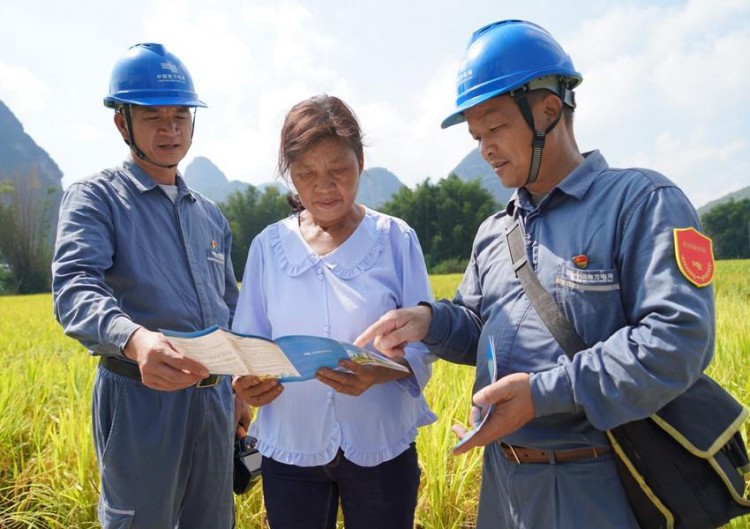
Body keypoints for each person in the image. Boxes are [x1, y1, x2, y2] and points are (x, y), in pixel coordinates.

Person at [355, 19, 715, 528]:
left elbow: (679, 339)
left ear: (549, 109)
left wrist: (543, 394)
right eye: (477, 134)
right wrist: (427, 322)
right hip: (503, 486)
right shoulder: (495, 232)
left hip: (599, 482)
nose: (484, 148)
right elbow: (481, 328)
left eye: (495, 127)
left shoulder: (641, 203)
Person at [52, 43, 250, 528]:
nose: (170, 129)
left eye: (181, 115)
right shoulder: (96, 199)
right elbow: (74, 287)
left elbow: (230, 306)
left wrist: (241, 383)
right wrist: (136, 340)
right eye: (153, 116)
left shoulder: (208, 214)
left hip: (215, 402)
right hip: (141, 399)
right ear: (123, 124)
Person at [231, 94, 436, 529]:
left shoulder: (395, 239)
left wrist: (382, 370)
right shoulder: (269, 247)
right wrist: (246, 383)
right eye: (306, 174)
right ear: (291, 176)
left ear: (360, 161)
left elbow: (424, 342)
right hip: (292, 443)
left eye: (338, 170)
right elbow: (248, 343)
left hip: (380, 443)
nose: (324, 188)